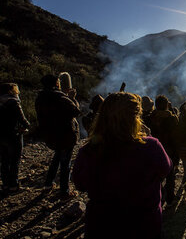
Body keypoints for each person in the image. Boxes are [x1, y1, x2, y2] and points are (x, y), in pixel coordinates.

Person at [72, 92, 172, 239]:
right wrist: (147, 136)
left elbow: (79, 183)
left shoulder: (89, 150)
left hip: (102, 227)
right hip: (144, 227)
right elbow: (166, 169)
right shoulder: (151, 146)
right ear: (135, 119)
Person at [35, 74, 80, 197]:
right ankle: (64, 191)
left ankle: (48, 184)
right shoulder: (59, 96)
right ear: (56, 83)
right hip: (64, 134)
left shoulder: (40, 97)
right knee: (65, 163)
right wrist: (72, 98)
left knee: (57, 158)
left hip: (51, 133)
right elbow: (75, 111)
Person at [0, 83, 30, 191]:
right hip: (12, 134)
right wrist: (29, 127)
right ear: (12, 91)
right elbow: (22, 119)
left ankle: (5, 183)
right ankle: (13, 184)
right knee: (15, 160)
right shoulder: (13, 102)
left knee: (4, 159)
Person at [149, 95, 179, 205]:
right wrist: (177, 155)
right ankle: (170, 199)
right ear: (167, 105)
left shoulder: (150, 117)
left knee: (156, 176)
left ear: (156, 105)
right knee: (170, 176)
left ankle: (158, 197)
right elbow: (176, 137)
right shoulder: (172, 118)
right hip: (169, 150)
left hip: (153, 150)